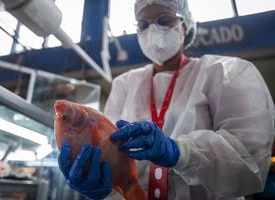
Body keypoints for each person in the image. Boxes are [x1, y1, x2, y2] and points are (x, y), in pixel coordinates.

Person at [57, 0, 275, 199]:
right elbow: (108, 152)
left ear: (186, 25)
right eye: (143, 25)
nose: (153, 30)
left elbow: (249, 160)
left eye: (164, 20)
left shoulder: (225, 73)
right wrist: (99, 185)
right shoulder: (125, 84)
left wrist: (179, 153)